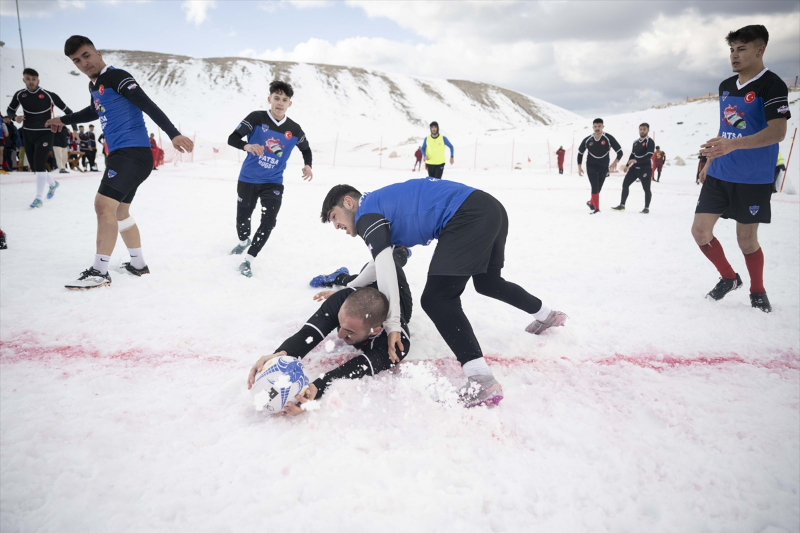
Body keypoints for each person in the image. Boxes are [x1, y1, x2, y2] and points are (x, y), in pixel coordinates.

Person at [320, 179, 568, 408]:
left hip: (467, 215)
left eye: (334, 216)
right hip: (490, 208)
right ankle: (547, 315)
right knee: (489, 283)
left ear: (349, 203)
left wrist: (393, 323)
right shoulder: (381, 206)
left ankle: (481, 381)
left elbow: (386, 269)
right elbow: (379, 265)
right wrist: (347, 289)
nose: (336, 226)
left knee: (437, 298)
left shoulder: (366, 214)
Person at [46, 35, 194, 289]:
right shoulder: (95, 86)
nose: (83, 63)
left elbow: (146, 103)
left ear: (98, 53)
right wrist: (63, 119)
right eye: (76, 60)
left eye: (86, 55)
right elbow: (94, 111)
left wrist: (173, 134)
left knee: (102, 205)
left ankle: (99, 272)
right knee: (119, 212)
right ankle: (138, 265)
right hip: (122, 154)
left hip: (132, 153)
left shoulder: (117, 76)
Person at [694, 24, 789, 313]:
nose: (734, 55)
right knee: (700, 232)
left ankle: (757, 290)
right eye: (732, 49)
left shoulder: (771, 85)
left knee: (746, 241)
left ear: (760, 50)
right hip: (720, 173)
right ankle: (728, 277)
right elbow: (726, 130)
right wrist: (710, 161)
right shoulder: (725, 86)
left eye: (742, 49)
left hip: (753, 178)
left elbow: (778, 132)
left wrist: (734, 146)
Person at [247, 286, 411, 416]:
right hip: (363, 287)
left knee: (395, 262)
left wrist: (317, 388)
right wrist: (281, 355)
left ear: (374, 331)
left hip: (401, 296)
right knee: (359, 277)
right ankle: (344, 278)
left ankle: (401, 254)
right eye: (339, 323)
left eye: (349, 332)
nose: (339, 335)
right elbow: (308, 335)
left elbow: (356, 367)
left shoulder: (395, 345)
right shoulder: (340, 300)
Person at [227, 80, 313, 278]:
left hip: (273, 182)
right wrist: (246, 146)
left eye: (284, 99)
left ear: (289, 103)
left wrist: (308, 164)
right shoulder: (256, 118)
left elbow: (306, 149)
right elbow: (233, 138)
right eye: (276, 98)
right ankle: (243, 242)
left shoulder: (295, 130)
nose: (280, 103)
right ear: (269, 99)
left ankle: (248, 260)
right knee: (243, 219)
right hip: (248, 179)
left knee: (269, 220)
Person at [6, 67, 74, 207]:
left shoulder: (49, 95)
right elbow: (10, 110)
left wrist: (75, 131)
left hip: (45, 133)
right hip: (28, 133)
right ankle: (53, 184)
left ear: (38, 80)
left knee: (40, 164)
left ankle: (38, 198)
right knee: (36, 167)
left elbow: (69, 111)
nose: (31, 82)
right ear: (23, 79)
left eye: (34, 79)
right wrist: (15, 117)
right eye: (28, 79)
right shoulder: (20, 95)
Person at [577, 118, 622, 214]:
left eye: (599, 126)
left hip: (604, 166)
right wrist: (579, 167)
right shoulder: (587, 139)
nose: (597, 128)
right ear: (593, 127)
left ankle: (591, 202)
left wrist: (615, 161)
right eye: (595, 126)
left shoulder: (608, 138)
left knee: (598, 188)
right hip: (591, 166)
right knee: (594, 186)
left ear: (603, 126)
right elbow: (580, 153)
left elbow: (620, 152)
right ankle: (597, 209)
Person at [612, 123, 656, 213]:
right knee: (625, 184)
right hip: (635, 168)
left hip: (645, 168)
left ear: (648, 130)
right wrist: (627, 166)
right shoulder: (635, 142)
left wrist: (636, 160)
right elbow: (632, 154)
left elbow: (649, 155)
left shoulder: (649, 141)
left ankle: (646, 208)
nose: (642, 131)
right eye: (641, 129)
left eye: (644, 129)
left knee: (646, 189)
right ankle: (622, 205)